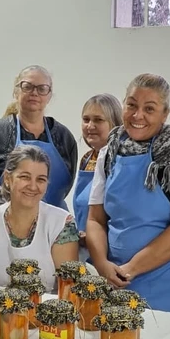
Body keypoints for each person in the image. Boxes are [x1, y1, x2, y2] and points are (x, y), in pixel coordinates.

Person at [86, 73, 170, 315]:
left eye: (149, 109)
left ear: (165, 114)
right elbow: (95, 219)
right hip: (116, 278)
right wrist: (102, 264)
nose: (137, 115)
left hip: (168, 282)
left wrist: (131, 268)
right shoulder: (110, 149)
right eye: (131, 105)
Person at [0, 145, 79, 292]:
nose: (33, 186)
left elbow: (69, 291)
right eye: (25, 177)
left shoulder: (61, 225)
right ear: (8, 179)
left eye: (41, 180)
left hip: (48, 312)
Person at [0, 65, 78, 210]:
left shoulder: (64, 137)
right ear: (15, 91)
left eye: (42, 88)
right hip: (2, 226)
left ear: (49, 96)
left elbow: (66, 188)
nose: (34, 93)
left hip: (56, 227)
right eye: (27, 86)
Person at [73, 94, 122, 261]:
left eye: (98, 120)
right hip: (85, 251)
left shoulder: (119, 161)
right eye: (86, 119)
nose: (90, 126)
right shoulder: (87, 159)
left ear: (115, 124)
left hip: (110, 254)